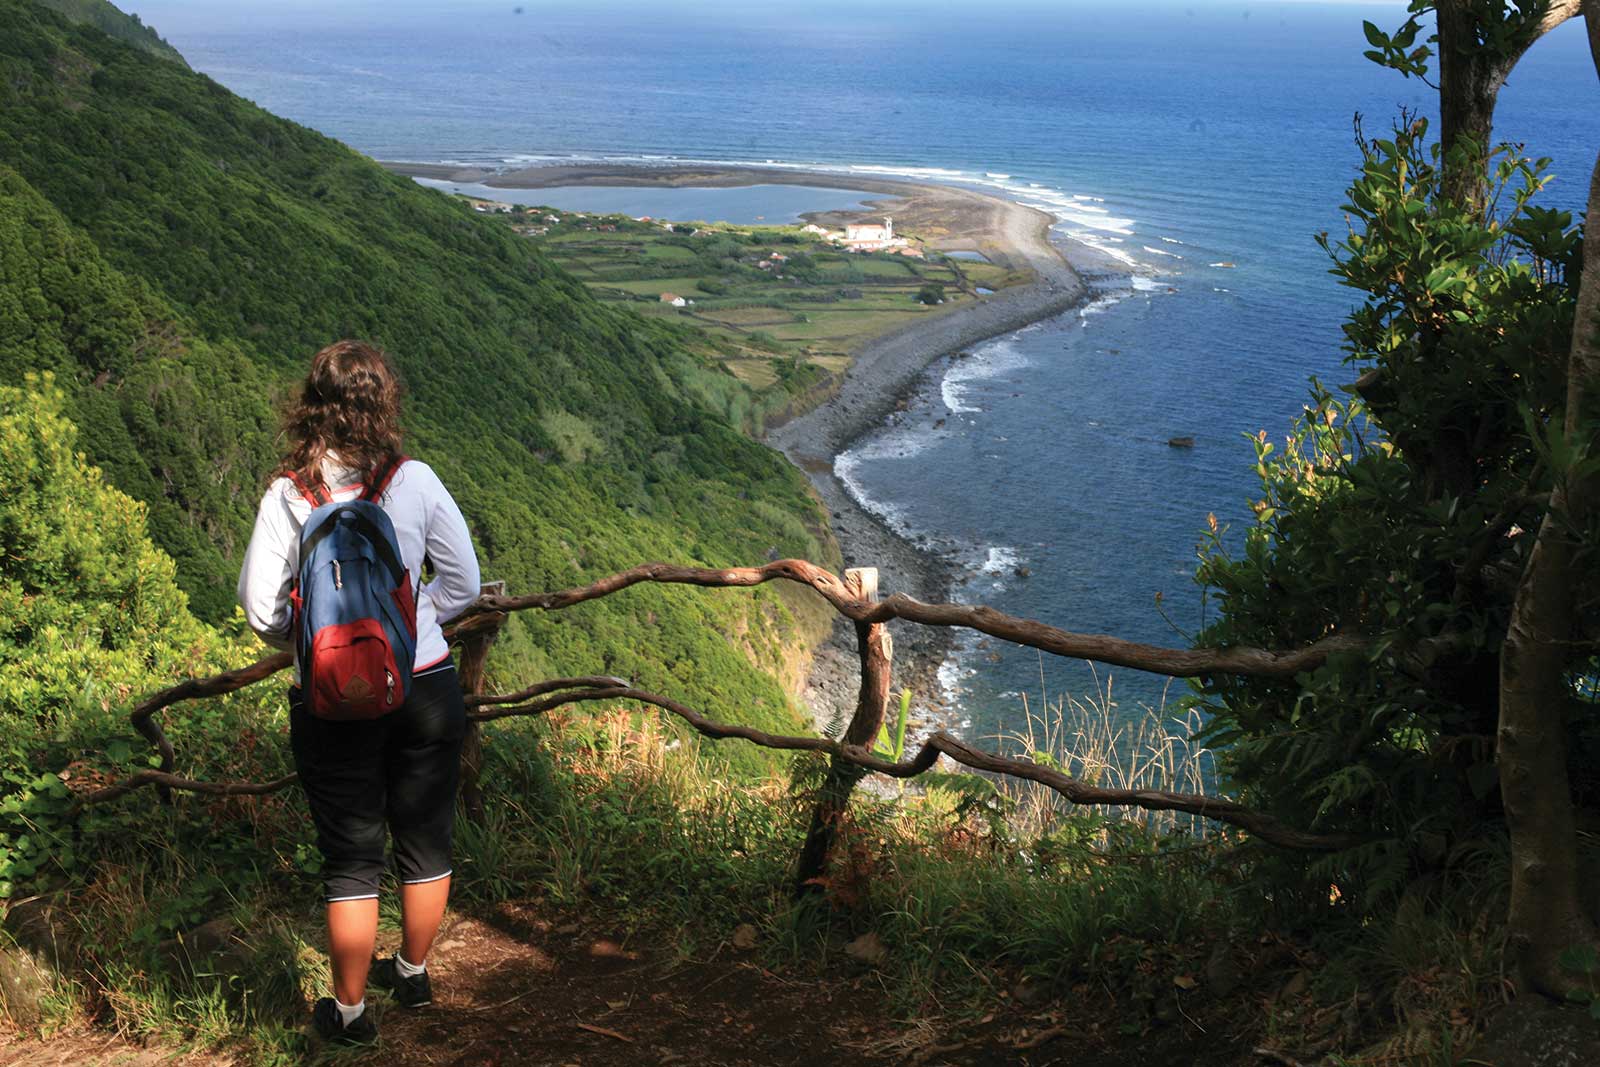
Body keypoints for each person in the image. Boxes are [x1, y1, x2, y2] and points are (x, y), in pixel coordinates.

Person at [237, 340, 481, 1044]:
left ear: (311, 406)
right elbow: (462, 582)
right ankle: (412, 971)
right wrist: (413, 620)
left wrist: (316, 644)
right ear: (386, 403)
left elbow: (262, 610)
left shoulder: (289, 493)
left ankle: (347, 1016)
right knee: (426, 837)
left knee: (351, 856)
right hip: (424, 681)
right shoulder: (416, 480)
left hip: (329, 701)